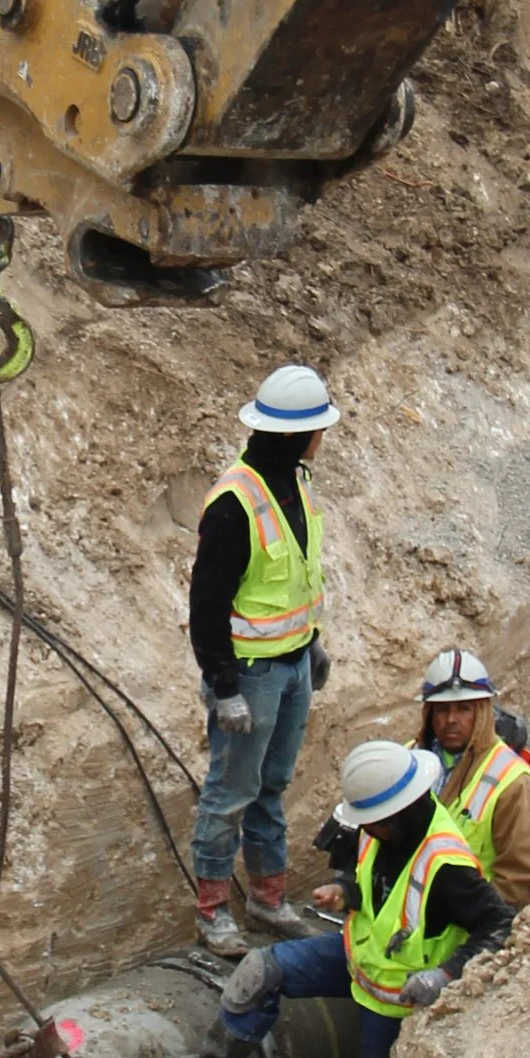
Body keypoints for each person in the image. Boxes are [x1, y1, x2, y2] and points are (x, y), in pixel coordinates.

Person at [148, 737, 514, 1058]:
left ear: (402, 810)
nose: (368, 829)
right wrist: (345, 892)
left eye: (376, 823)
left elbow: (499, 924)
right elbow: (381, 887)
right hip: (358, 957)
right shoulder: (381, 827)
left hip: (397, 997)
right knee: (259, 972)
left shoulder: (447, 865)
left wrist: (444, 975)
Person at [185, 363, 338, 959]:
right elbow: (207, 606)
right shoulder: (234, 503)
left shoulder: (293, 483)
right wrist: (224, 687)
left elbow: (293, 576)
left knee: (271, 787)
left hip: (293, 664)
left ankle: (268, 900)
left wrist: (312, 641)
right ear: (299, 434)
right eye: (319, 428)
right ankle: (213, 913)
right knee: (230, 792)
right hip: (252, 676)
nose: (323, 438)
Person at [417, 643, 530, 907]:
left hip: (462, 928)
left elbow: (524, 877)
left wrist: (472, 914)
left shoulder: (513, 783)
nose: (452, 719)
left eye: (464, 709)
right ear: (429, 714)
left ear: (481, 712)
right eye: (442, 709)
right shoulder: (409, 760)